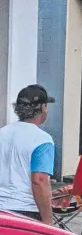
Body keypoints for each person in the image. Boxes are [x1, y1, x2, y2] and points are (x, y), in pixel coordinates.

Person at [0, 84, 55, 225]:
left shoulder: (2, 133)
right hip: (25, 210)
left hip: (2, 210)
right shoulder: (42, 139)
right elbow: (39, 181)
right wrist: (47, 221)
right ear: (43, 108)